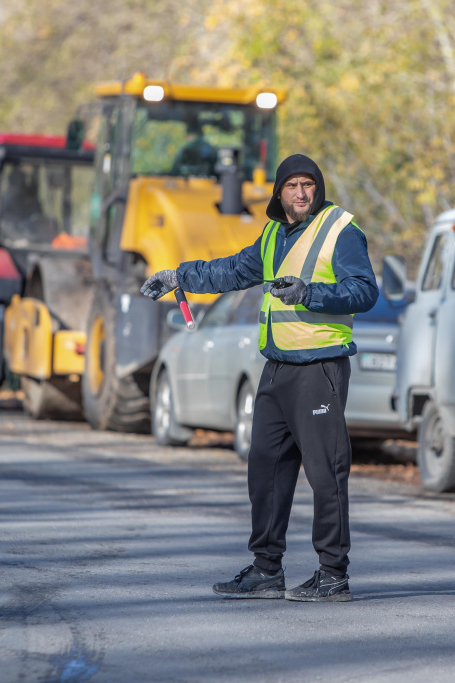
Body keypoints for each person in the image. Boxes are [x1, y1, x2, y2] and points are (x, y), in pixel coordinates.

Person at [141, 154, 378, 602]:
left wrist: (312, 293)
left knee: (326, 473)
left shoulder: (340, 231)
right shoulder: (273, 234)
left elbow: (364, 290)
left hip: (320, 367)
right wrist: (178, 277)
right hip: (277, 367)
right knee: (265, 468)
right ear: (279, 193)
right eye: (292, 186)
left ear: (318, 189)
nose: (302, 193)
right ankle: (267, 568)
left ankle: (332, 574)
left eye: (309, 185)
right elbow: (231, 269)